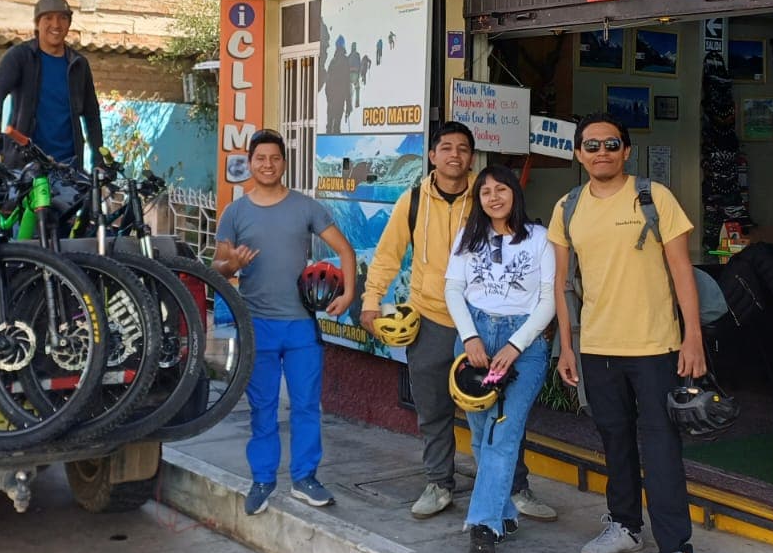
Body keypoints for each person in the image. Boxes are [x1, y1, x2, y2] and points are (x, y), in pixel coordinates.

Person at [361, 121, 557, 522]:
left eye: (463, 148)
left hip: (487, 323)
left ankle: (514, 487)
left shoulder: (486, 197)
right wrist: (370, 301)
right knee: (432, 406)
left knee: (501, 410)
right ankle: (439, 482)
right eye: (446, 147)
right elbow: (387, 255)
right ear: (432, 155)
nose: (455, 155)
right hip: (432, 317)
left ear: (472, 157)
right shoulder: (412, 201)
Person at [551, 112, 708, 553]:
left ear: (626, 151)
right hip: (597, 347)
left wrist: (693, 337)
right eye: (591, 145)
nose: (601, 152)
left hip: (655, 346)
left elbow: (682, 270)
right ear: (578, 153)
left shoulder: (654, 197)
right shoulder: (568, 207)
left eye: (611, 144)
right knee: (614, 440)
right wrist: (566, 346)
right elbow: (561, 284)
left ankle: (675, 551)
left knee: (661, 448)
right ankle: (624, 525)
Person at [214, 129, 356, 516]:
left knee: (307, 405)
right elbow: (217, 266)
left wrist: (347, 294)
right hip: (256, 325)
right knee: (262, 407)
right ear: (250, 163)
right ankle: (262, 480)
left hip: (301, 325)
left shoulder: (305, 207)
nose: (268, 164)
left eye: (275, 158)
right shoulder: (235, 213)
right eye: (260, 158)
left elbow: (345, 250)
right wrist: (232, 264)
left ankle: (305, 479)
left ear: (284, 163)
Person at [445, 165, 556, 553]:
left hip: (522, 343)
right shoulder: (468, 237)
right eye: (486, 191)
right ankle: (504, 512)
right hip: (475, 338)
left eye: (501, 189)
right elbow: (453, 289)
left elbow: (548, 299)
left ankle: (483, 526)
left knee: (503, 435)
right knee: (480, 435)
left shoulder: (540, 238)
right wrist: (470, 336)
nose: (494, 197)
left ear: (515, 193)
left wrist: (515, 345)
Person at [0, 0, 102, 167]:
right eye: (48, 18)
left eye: (62, 18)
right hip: (26, 164)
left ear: (69, 24)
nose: (56, 24)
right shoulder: (20, 56)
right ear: (37, 23)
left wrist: (99, 161)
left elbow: (92, 114)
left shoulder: (78, 64)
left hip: (69, 166)